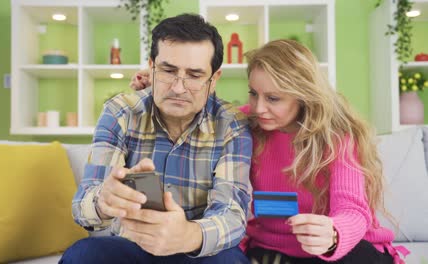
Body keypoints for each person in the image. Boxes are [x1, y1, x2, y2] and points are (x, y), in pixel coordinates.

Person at [130, 39, 409, 264]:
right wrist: (163, 89)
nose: (259, 107)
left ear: (304, 96)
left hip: (339, 250)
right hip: (271, 248)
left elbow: (352, 209)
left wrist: (334, 235)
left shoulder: (337, 136)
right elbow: (203, 114)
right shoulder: (248, 124)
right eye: (254, 93)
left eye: (273, 98)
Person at [59, 14, 253, 264]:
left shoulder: (231, 124)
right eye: (168, 71)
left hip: (198, 249)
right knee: (82, 255)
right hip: (132, 246)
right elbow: (82, 208)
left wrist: (186, 234)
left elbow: (232, 214)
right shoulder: (121, 112)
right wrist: (103, 202)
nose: (178, 88)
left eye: (194, 75)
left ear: (213, 80)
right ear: (152, 66)